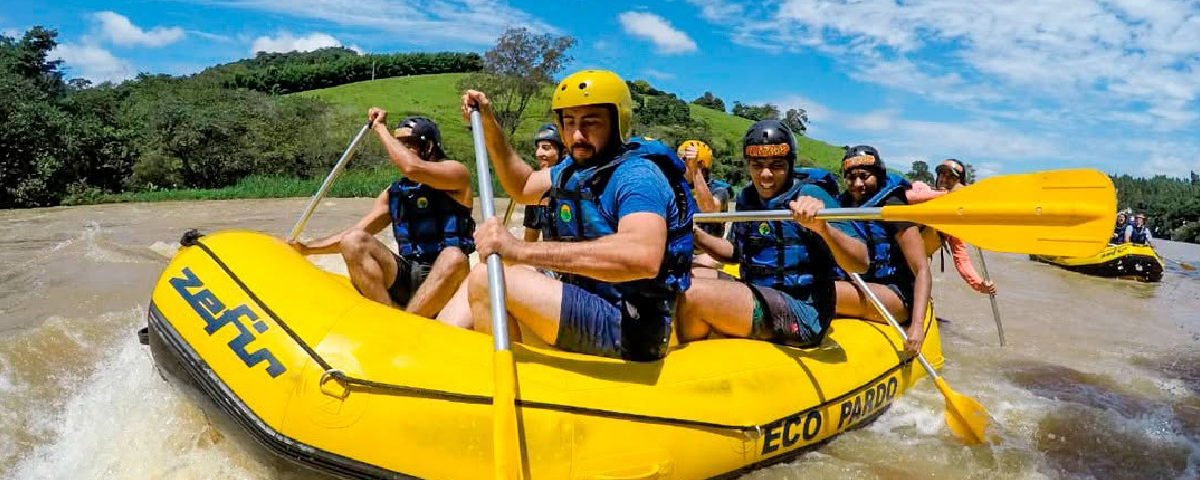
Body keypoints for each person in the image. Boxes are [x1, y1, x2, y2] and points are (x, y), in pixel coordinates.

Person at [459, 70, 696, 361]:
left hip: (630, 325)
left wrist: (520, 250)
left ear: (617, 122)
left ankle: (511, 382)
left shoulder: (637, 176)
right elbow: (523, 186)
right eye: (568, 122)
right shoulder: (575, 168)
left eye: (591, 122)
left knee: (486, 278)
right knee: (487, 270)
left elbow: (642, 257)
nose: (577, 135)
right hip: (590, 300)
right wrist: (489, 125)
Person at [676, 120, 867, 349]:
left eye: (776, 165)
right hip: (759, 292)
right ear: (748, 165)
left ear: (790, 164)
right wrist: (694, 234)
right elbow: (735, 253)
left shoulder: (812, 195)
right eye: (757, 165)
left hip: (803, 313)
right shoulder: (748, 198)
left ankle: (698, 363)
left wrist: (823, 228)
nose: (765, 175)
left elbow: (860, 262)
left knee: (693, 294)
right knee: (686, 276)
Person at [290, 111, 473, 319]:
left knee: (454, 257)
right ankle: (386, 319)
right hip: (407, 273)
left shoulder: (456, 174)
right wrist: (306, 249)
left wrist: (379, 127)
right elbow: (358, 232)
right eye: (398, 143)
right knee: (353, 241)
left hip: (448, 281)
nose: (398, 149)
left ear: (428, 147)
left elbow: (412, 168)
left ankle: (406, 324)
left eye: (407, 143)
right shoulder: (394, 193)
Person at [833, 146, 932, 354]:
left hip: (895, 294)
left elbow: (922, 269)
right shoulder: (840, 205)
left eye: (864, 176)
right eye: (851, 177)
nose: (857, 184)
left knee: (823, 291)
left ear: (878, 176)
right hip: (858, 285)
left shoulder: (893, 208)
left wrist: (917, 326)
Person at [903, 158, 997, 295]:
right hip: (892, 257)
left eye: (951, 176)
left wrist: (978, 284)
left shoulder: (951, 221)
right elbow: (907, 197)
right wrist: (949, 195)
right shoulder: (921, 189)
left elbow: (961, 259)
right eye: (942, 174)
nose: (944, 178)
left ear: (959, 183)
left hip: (916, 268)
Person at [678, 139, 735, 275]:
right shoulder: (674, 187)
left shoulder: (720, 190)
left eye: (684, 163)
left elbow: (708, 209)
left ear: (701, 165)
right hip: (680, 248)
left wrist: (694, 170)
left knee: (704, 264)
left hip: (708, 252)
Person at [523, 123, 566, 243]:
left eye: (546, 148)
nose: (538, 153)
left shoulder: (579, 187)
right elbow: (529, 242)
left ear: (563, 153)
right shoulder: (537, 191)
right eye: (538, 148)